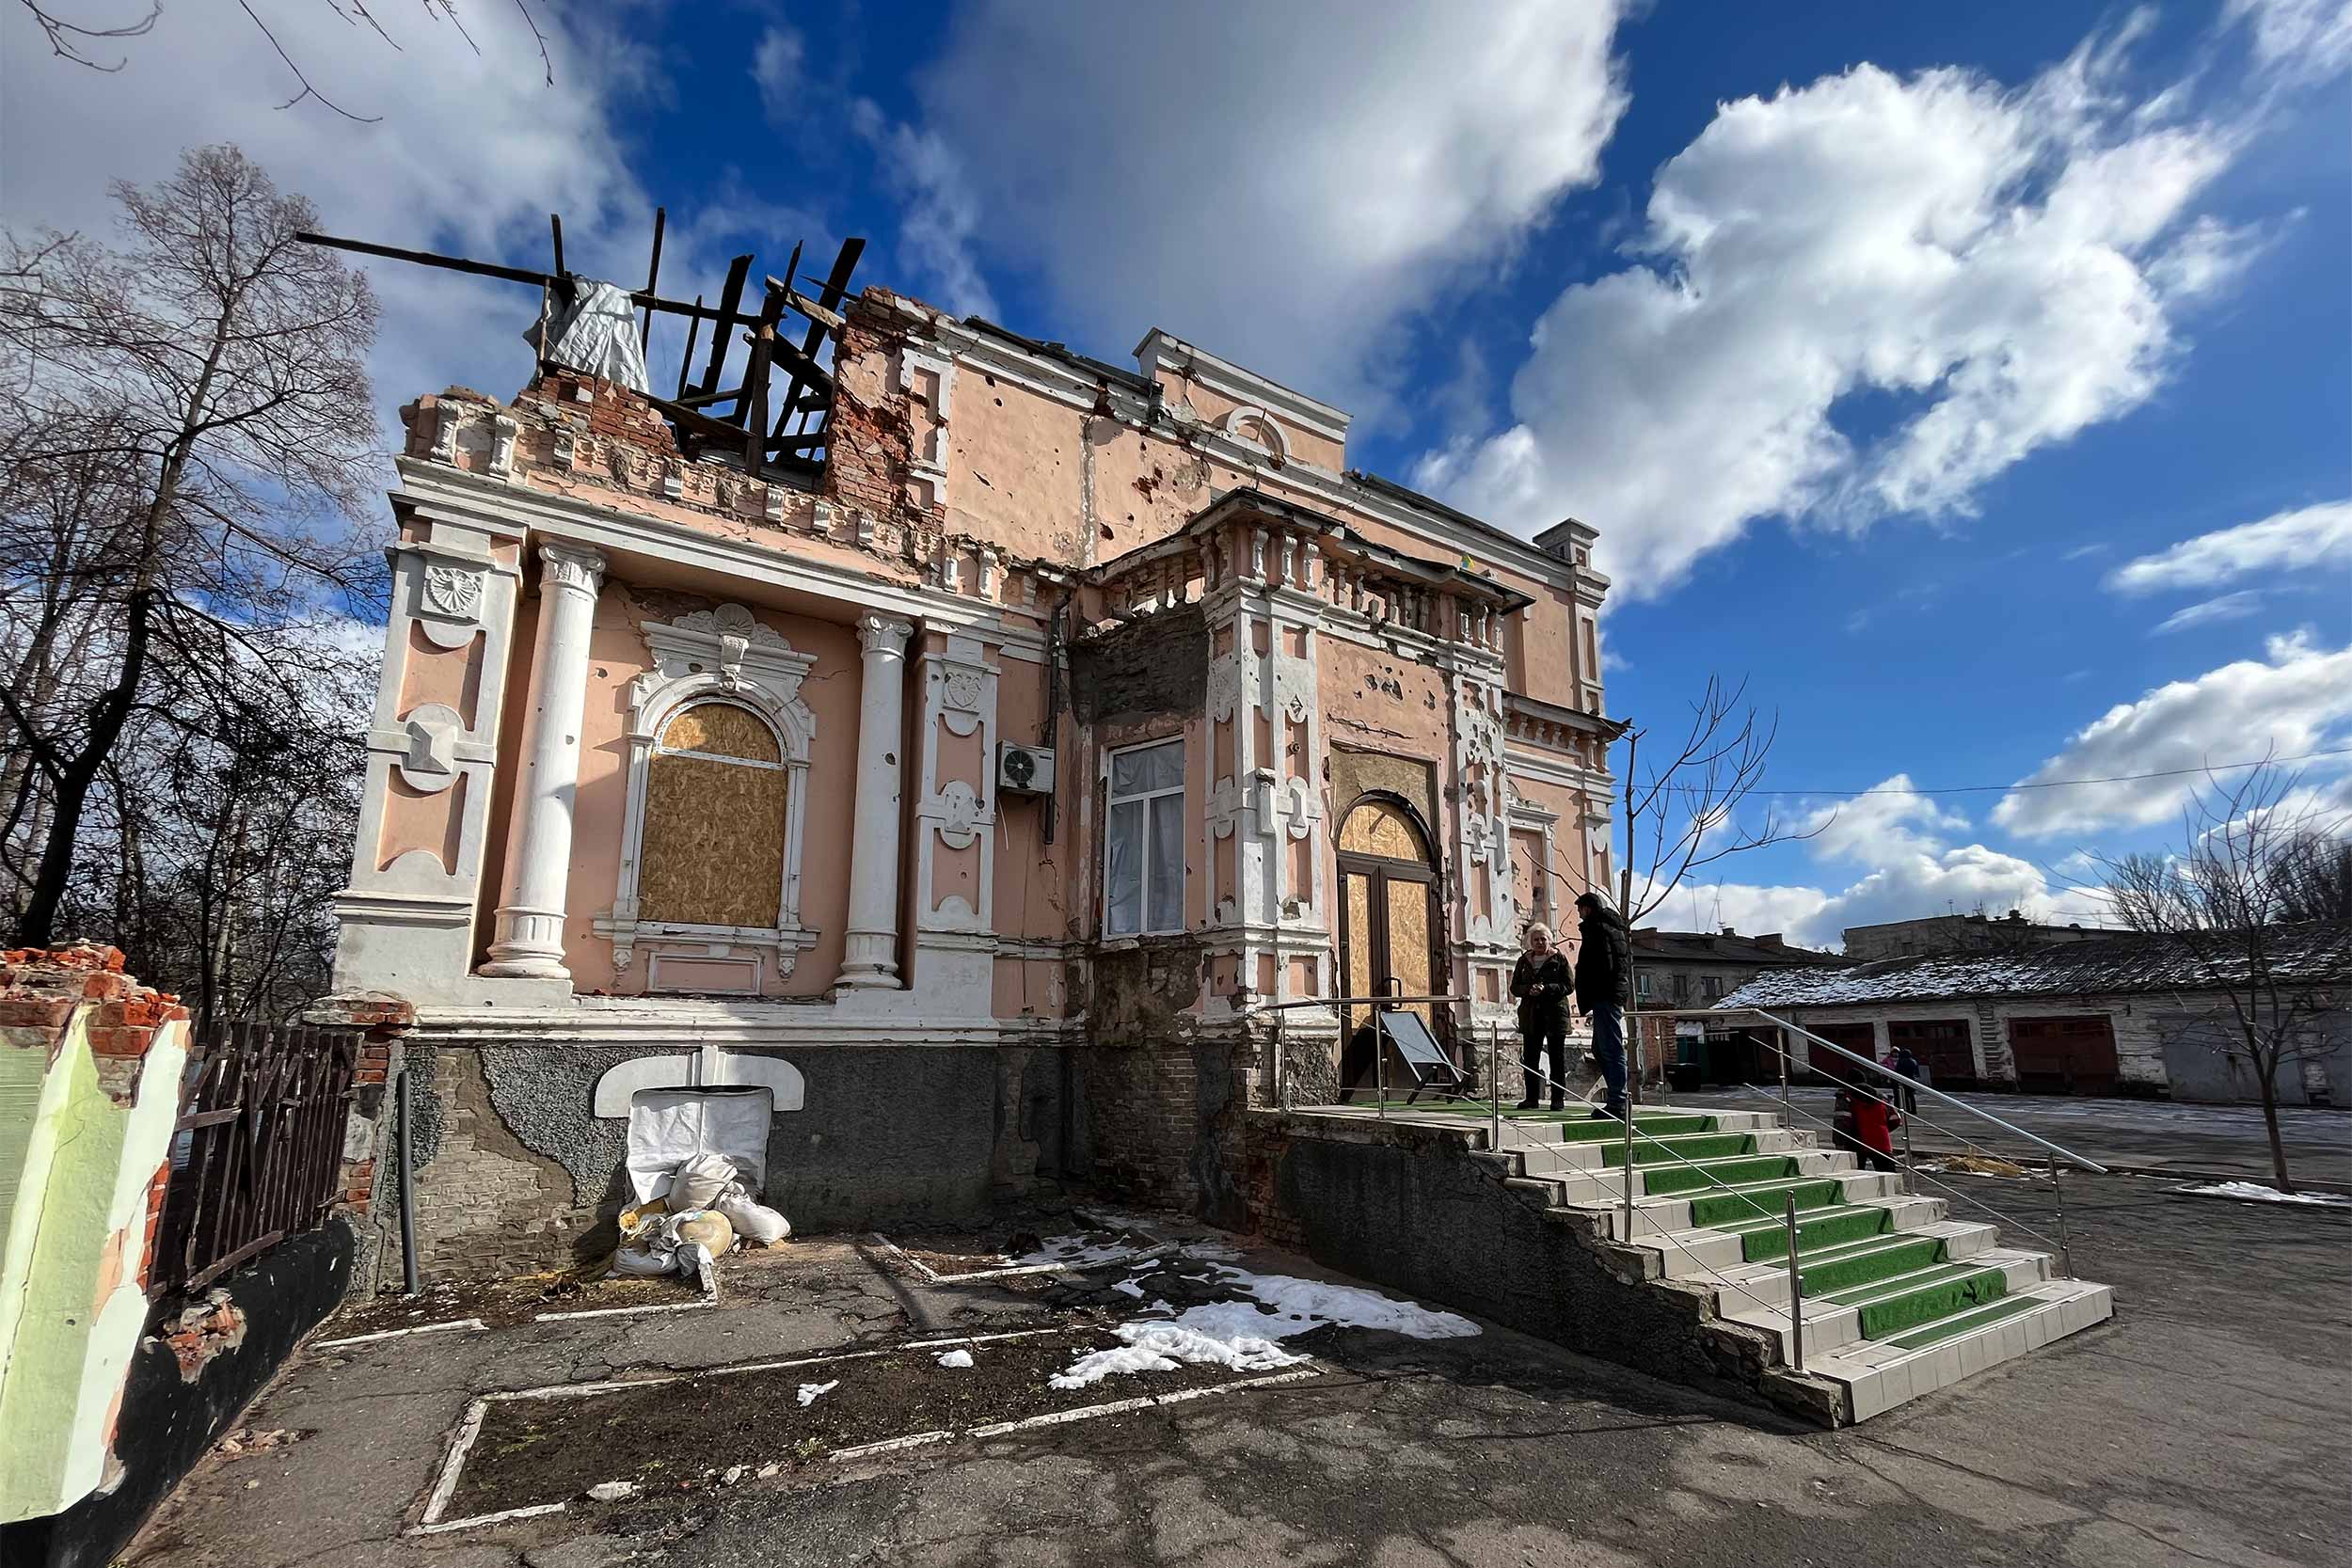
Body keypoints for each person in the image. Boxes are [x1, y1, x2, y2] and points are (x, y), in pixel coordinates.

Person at [1573, 888, 1629, 1120]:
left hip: (1606, 996)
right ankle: (1617, 1099)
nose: (1579, 914)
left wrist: (1591, 987)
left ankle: (1618, 1101)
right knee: (1599, 1048)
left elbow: (1604, 965)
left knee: (1611, 1048)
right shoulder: (1610, 928)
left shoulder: (1598, 930)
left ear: (1587, 909)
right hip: (1607, 996)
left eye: (1580, 909)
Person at [1509, 923, 1573, 1111]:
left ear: (1549, 940)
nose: (1539, 942)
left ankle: (1557, 1099)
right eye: (1535, 939)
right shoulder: (1524, 960)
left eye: (1543, 939)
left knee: (1557, 1059)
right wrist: (1529, 990)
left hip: (1554, 1015)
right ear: (1530, 941)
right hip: (1531, 1016)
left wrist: (1546, 989)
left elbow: (1568, 986)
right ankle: (1531, 1098)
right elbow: (1514, 987)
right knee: (1530, 1059)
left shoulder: (1559, 959)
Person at [1832, 1075, 1901, 1173]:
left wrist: (1839, 1143)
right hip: (1881, 1141)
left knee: (1856, 1177)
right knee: (1888, 1176)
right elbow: (1896, 1120)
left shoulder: (1846, 1098)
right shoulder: (1882, 1098)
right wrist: (1883, 1130)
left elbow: (1841, 1123)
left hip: (1856, 1142)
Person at [1891, 1043, 1926, 1115]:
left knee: (1905, 1096)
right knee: (1911, 1096)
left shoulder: (1901, 1061)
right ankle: (1913, 1110)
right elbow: (1917, 1072)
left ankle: (1906, 1108)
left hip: (1903, 1080)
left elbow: (1897, 1070)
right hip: (1912, 1079)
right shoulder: (1914, 1061)